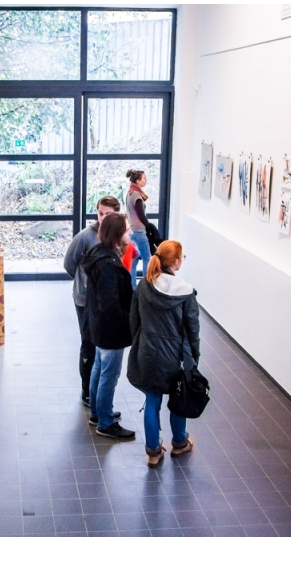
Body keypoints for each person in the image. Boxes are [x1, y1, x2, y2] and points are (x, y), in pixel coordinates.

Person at [127, 240, 199, 467]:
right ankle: (179, 442)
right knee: (178, 397)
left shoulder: (144, 286)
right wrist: (194, 357)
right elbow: (192, 329)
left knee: (152, 399)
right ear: (176, 262)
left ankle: (153, 451)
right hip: (176, 356)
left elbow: (134, 320)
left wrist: (140, 343)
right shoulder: (186, 292)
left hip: (148, 352)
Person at [80, 213, 136, 440]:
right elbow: (110, 304)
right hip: (110, 330)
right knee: (109, 375)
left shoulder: (99, 255)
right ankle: (105, 422)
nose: (130, 232)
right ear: (117, 233)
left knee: (99, 369)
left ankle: (98, 413)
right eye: (127, 229)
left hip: (99, 327)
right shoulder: (107, 264)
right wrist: (129, 321)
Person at [63, 196, 120, 408]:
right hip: (85, 301)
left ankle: (97, 393)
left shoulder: (117, 236)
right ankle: (87, 391)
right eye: (100, 213)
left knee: (102, 344)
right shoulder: (85, 237)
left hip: (105, 300)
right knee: (88, 342)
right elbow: (69, 264)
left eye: (108, 214)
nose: (103, 218)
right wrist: (84, 285)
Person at [125, 169, 164, 290]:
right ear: (138, 181)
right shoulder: (136, 195)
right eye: (144, 178)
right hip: (139, 232)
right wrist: (148, 226)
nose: (146, 180)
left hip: (132, 230)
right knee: (147, 259)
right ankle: (146, 288)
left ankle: (133, 287)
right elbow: (140, 214)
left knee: (134, 260)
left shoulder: (130, 192)